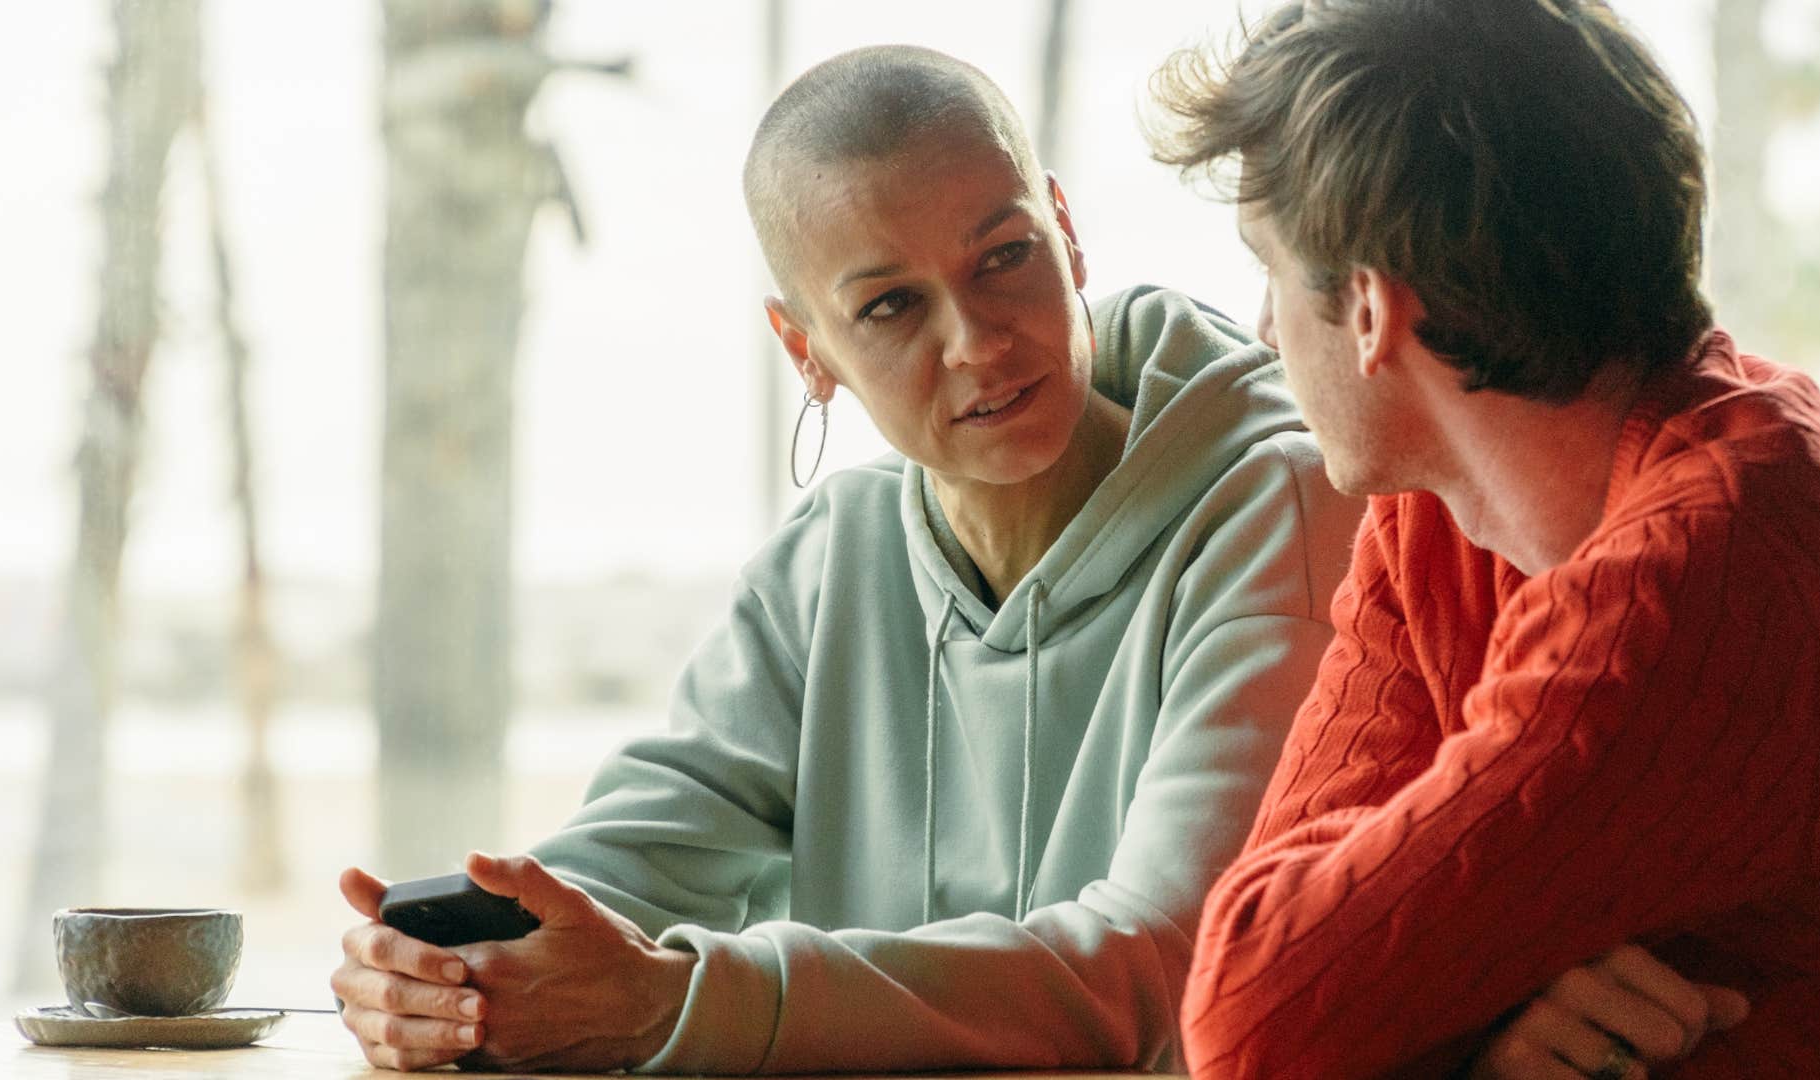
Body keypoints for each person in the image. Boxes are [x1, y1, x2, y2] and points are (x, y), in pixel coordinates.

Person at [328, 45, 1369, 1074]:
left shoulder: (1281, 506)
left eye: (1004, 255)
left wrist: (675, 1003)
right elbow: (636, 858)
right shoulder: (830, 559)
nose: (976, 340)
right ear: (807, 349)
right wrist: (450, 976)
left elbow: (1167, 968)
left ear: (1068, 231)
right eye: (890, 306)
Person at [1148, 1, 1820, 1077]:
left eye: (1266, 268)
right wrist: (1485, 1043)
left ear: (1370, 310)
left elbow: (1253, 1017)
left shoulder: (1714, 572)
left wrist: (1433, 1009)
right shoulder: (1438, 509)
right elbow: (1276, 957)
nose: (1266, 329)